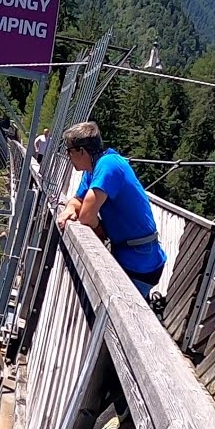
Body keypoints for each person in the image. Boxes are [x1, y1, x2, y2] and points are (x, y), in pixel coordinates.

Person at [55, 121, 167, 299]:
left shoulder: (108, 165)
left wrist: (99, 228)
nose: (68, 157)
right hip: (127, 253)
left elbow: (86, 215)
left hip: (140, 261)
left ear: (81, 151)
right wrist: (69, 208)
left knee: (125, 315)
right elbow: (78, 200)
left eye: (69, 151)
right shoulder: (92, 170)